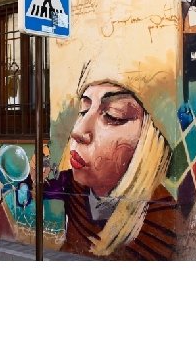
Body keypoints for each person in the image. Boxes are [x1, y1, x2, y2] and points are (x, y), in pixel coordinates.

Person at [28, 56, 179, 260]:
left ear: (151, 142)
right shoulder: (74, 185)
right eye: (84, 110)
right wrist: (35, 175)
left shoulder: (163, 220)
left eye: (113, 115)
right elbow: (40, 191)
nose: (78, 131)